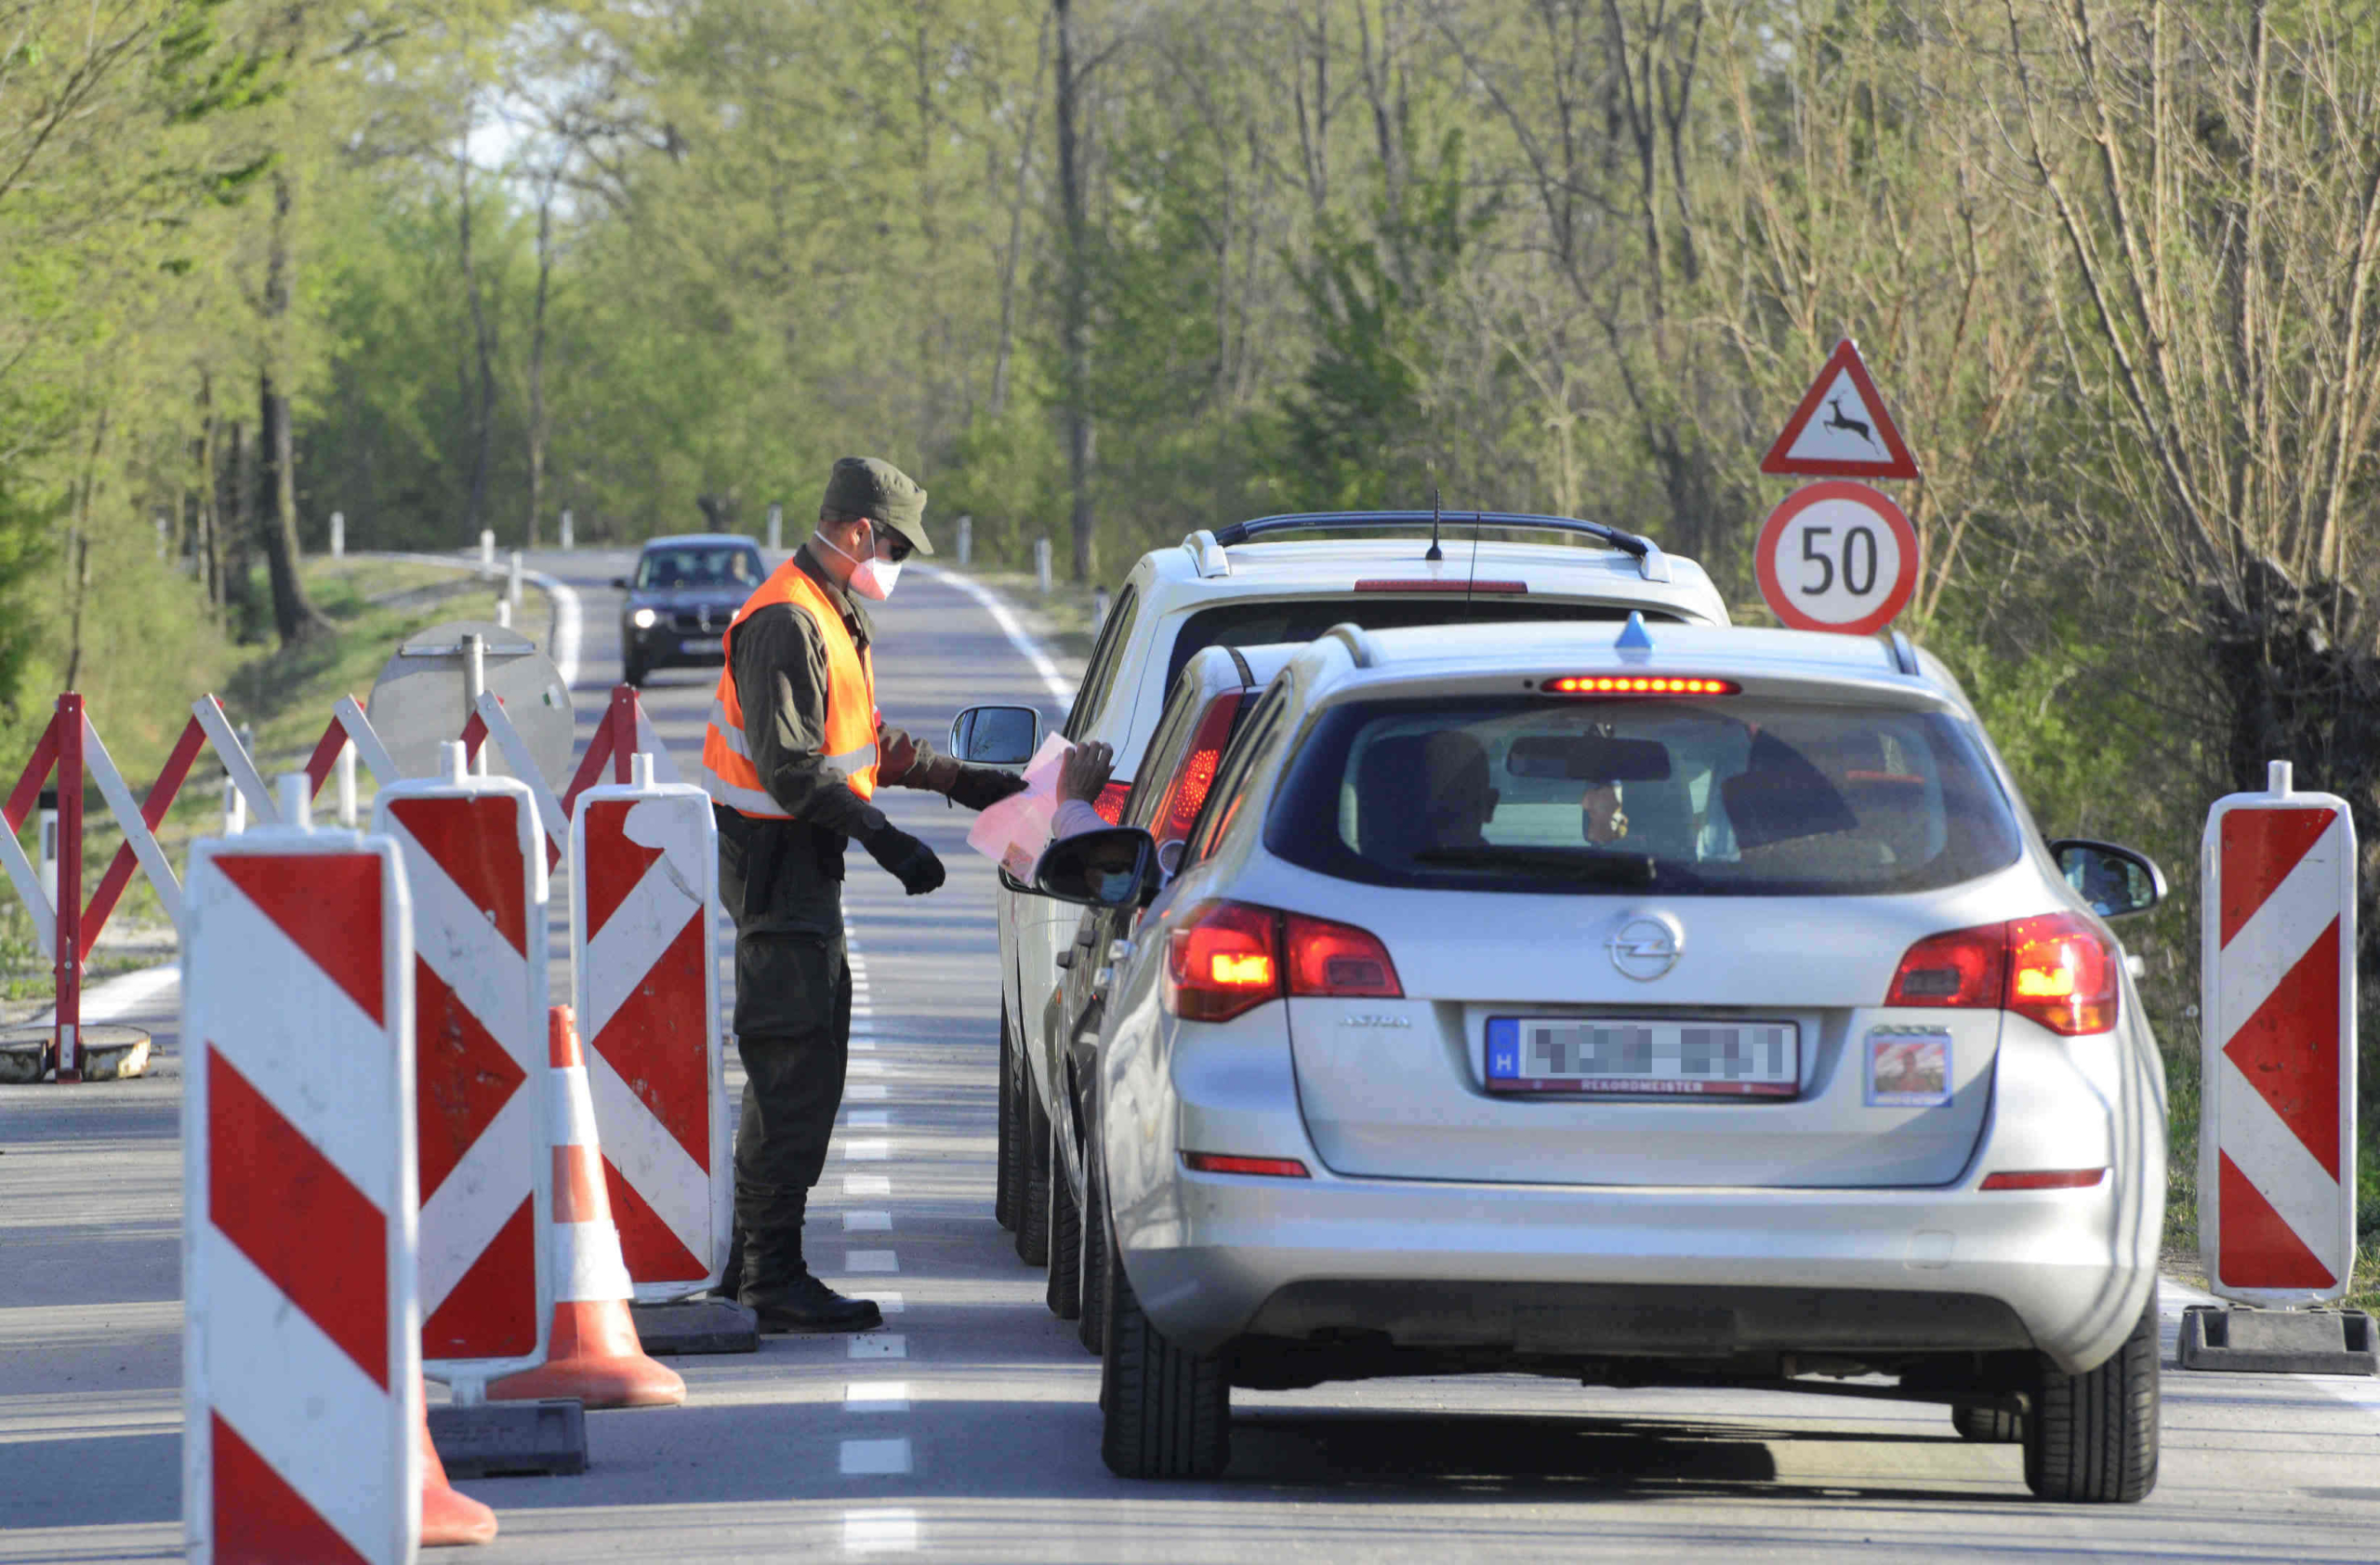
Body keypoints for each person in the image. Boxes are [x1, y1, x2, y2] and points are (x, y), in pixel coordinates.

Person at [701, 456, 1025, 1333]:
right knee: (793, 1066)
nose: (897, 565)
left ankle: (750, 1263)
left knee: (802, 1061)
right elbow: (793, 768)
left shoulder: (828, 612)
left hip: (798, 867)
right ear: (854, 533)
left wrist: (969, 782)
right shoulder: (784, 619)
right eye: (894, 547)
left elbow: (864, 740)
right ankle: (770, 1273)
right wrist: (885, 839)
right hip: (777, 868)